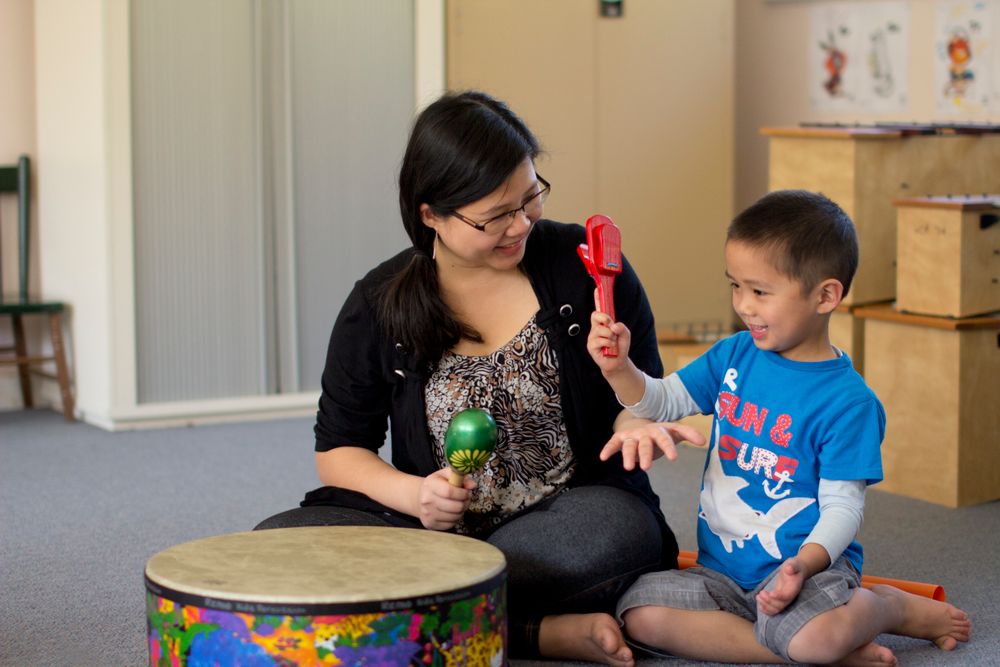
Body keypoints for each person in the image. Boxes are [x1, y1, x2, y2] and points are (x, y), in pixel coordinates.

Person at [255, 90, 700, 666]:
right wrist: (414, 495)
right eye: (495, 216)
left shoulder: (582, 263)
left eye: (530, 196)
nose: (521, 224)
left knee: (609, 536)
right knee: (279, 544)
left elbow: (640, 392)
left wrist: (636, 419)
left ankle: (421, 612)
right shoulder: (377, 301)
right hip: (424, 530)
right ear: (431, 215)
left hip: (568, 514)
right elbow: (341, 449)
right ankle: (533, 632)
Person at [586, 190, 972, 665]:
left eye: (760, 291)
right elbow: (661, 401)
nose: (744, 305)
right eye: (736, 286)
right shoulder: (734, 355)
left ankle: (888, 607)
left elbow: (842, 509)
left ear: (825, 296)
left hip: (810, 573)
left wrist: (800, 566)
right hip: (722, 573)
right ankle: (804, 652)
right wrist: (619, 367)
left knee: (814, 636)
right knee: (640, 614)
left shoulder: (848, 404)